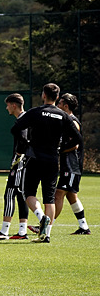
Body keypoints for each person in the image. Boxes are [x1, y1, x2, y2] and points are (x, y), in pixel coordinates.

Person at [11, 83, 81, 243]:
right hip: (52, 160)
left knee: (29, 194)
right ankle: (46, 235)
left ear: (43, 95)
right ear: (57, 97)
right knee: (49, 199)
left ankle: (41, 217)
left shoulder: (35, 112)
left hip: (34, 158)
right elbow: (77, 138)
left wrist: (26, 144)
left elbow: (15, 129)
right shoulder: (63, 116)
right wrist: (61, 148)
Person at [0, 94, 30, 240]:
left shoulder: (23, 120)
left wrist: (18, 157)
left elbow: (24, 140)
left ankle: (4, 232)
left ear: (14, 105)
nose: (6, 108)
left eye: (7, 105)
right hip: (26, 162)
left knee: (10, 193)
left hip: (20, 163)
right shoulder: (27, 118)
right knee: (20, 195)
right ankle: (22, 232)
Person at [54, 93, 90, 235]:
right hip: (67, 164)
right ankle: (84, 227)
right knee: (71, 196)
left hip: (72, 165)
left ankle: (46, 224)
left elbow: (74, 145)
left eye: (60, 103)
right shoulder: (65, 121)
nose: (58, 106)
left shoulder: (73, 122)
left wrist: (58, 150)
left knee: (58, 194)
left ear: (66, 106)